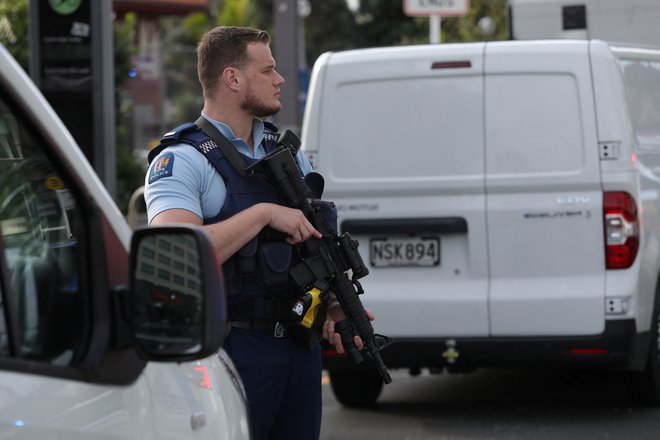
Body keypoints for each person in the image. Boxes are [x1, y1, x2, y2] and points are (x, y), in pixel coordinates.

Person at [144, 26, 373, 440]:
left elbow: (315, 242)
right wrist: (264, 213)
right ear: (232, 78)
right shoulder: (182, 159)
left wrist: (338, 308)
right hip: (230, 351)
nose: (280, 79)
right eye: (268, 70)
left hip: (298, 349)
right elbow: (175, 254)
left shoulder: (283, 153)